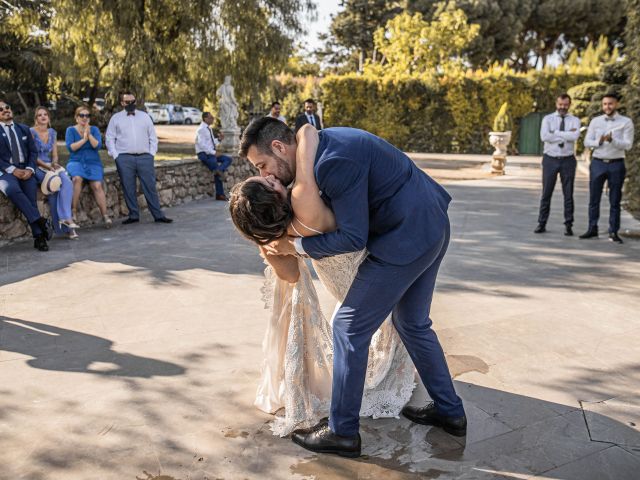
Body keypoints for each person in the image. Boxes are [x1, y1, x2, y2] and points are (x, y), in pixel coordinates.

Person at [232, 118, 466, 457]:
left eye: (263, 164)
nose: (266, 173)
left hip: (407, 235)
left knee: (347, 327)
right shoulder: (317, 149)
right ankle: (450, 411)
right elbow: (306, 134)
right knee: (412, 323)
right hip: (428, 223)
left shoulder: (333, 162)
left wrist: (294, 248)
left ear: (280, 148)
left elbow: (352, 236)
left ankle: (342, 432)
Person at [106, 91, 172, 224]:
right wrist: (116, 155)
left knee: (150, 186)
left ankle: (158, 215)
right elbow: (109, 138)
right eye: (127, 102)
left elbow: (153, 137)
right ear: (122, 103)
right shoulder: (116, 118)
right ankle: (133, 215)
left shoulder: (145, 117)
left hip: (145, 157)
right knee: (128, 187)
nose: (131, 104)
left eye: (133, 101)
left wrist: (151, 153)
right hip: (124, 158)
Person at [580, 93, 635, 244]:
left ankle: (613, 231)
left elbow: (628, 145)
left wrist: (613, 140)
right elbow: (586, 142)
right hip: (598, 162)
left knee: (615, 200)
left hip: (616, 163)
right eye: (605, 104)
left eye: (610, 104)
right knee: (594, 199)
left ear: (616, 104)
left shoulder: (626, 122)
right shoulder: (595, 121)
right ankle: (592, 228)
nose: (607, 107)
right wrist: (599, 141)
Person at [0, 98, 52, 251]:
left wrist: (30, 169)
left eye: (6, 107)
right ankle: (41, 222)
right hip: (5, 172)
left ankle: (39, 238)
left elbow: (33, 152)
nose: (5, 110)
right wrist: (12, 170)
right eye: (0, 109)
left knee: (31, 199)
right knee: (11, 189)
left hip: (26, 170)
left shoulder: (23, 129)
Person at [534, 93, 581, 236]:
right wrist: (565, 134)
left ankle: (568, 225)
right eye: (560, 104)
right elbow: (544, 137)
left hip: (568, 160)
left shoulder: (575, 120)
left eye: (565, 105)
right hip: (550, 159)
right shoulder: (547, 119)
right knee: (546, 193)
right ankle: (541, 223)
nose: (563, 107)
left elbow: (575, 136)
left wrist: (555, 133)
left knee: (568, 194)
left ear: (569, 104)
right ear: (556, 104)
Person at [31, 106, 79, 239]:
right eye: (39, 115)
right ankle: (66, 227)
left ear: (48, 117)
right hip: (37, 166)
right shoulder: (31, 132)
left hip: (50, 165)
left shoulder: (52, 132)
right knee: (54, 186)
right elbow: (32, 155)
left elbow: (55, 154)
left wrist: (54, 163)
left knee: (67, 182)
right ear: (36, 119)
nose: (43, 116)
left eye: (45, 114)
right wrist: (47, 167)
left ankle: (65, 220)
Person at [66, 106, 112, 228]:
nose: (85, 118)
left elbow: (97, 146)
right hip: (76, 161)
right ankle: (73, 211)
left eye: (87, 116)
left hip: (93, 162)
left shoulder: (94, 130)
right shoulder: (70, 130)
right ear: (76, 118)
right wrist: (84, 139)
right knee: (76, 179)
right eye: (82, 115)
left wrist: (89, 135)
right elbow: (71, 148)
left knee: (97, 185)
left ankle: (105, 216)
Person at [195, 112, 232, 201]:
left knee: (228, 159)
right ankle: (220, 194)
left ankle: (219, 170)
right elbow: (202, 145)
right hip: (204, 155)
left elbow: (210, 143)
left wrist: (219, 139)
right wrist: (213, 152)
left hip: (210, 153)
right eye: (211, 117)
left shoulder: (209, 129)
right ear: (205, 118)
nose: (213, 119)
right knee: (216, 168)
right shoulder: (201, 129)